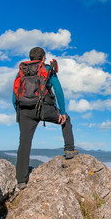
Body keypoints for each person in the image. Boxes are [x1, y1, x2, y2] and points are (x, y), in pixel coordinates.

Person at [12, 47, 78, 190]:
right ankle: (69, 150)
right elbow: (58, 91)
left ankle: (21, 180)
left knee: (24, 143)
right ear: (43, 58)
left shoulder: (22, 71)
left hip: (24, 111)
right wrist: (62, 111)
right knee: (66, 120)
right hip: (44, 108)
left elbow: (15, 94)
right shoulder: (47, 69)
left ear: (31, 58)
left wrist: (19, 111)